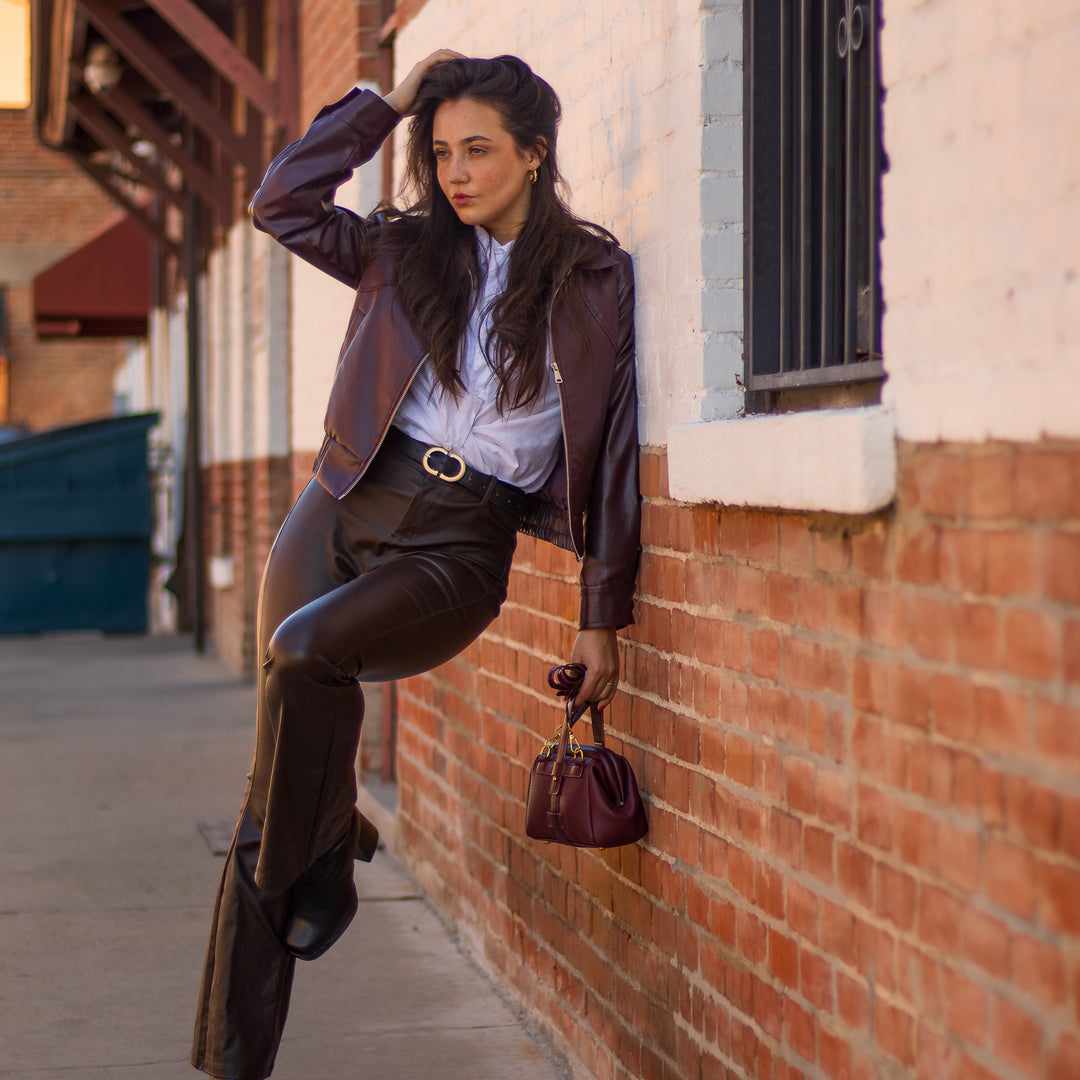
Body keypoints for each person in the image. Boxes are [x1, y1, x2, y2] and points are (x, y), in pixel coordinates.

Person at [191, 49, 640, 1079]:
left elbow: (613, 454)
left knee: (302, 659)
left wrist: (598, 615)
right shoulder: (402, 253)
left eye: (478, 150)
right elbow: (280, 201)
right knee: (273, 786)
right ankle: (232, 1054)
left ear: (535, 153)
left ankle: (332, 834)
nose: (454, 172)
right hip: (342, 502)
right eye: (440, 152)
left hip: (457, 540)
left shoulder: (594, 281)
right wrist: (387, 103)